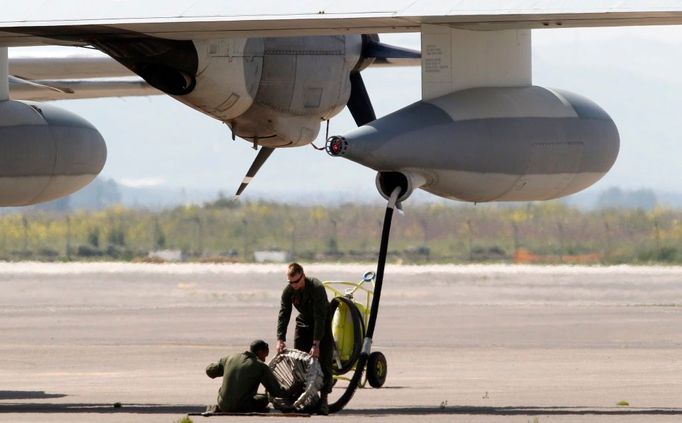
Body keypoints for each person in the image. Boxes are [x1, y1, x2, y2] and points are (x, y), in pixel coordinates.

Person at [276, 262, 333, 415]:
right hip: (304, 321)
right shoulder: (289, 291)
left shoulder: (316, 288)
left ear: (303, 276)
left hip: (322, 323)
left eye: (296, 281)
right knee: (299, 360)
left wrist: (316, 343)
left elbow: (320, 317)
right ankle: (305, 396)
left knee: (324, 360)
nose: (293, 285)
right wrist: (280, 338)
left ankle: (324, 399)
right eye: (290, 282)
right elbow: (284, 313)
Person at [205, 339, 287, 413]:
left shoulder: (230, 358)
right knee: (265, 399)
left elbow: (210, 371)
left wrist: (228, 369)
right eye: (265, 355)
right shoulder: (260, 366)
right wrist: (292, 389)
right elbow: (276, 391)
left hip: (223, 405)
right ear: (260, 352)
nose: (264, 359)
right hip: (242, 407)